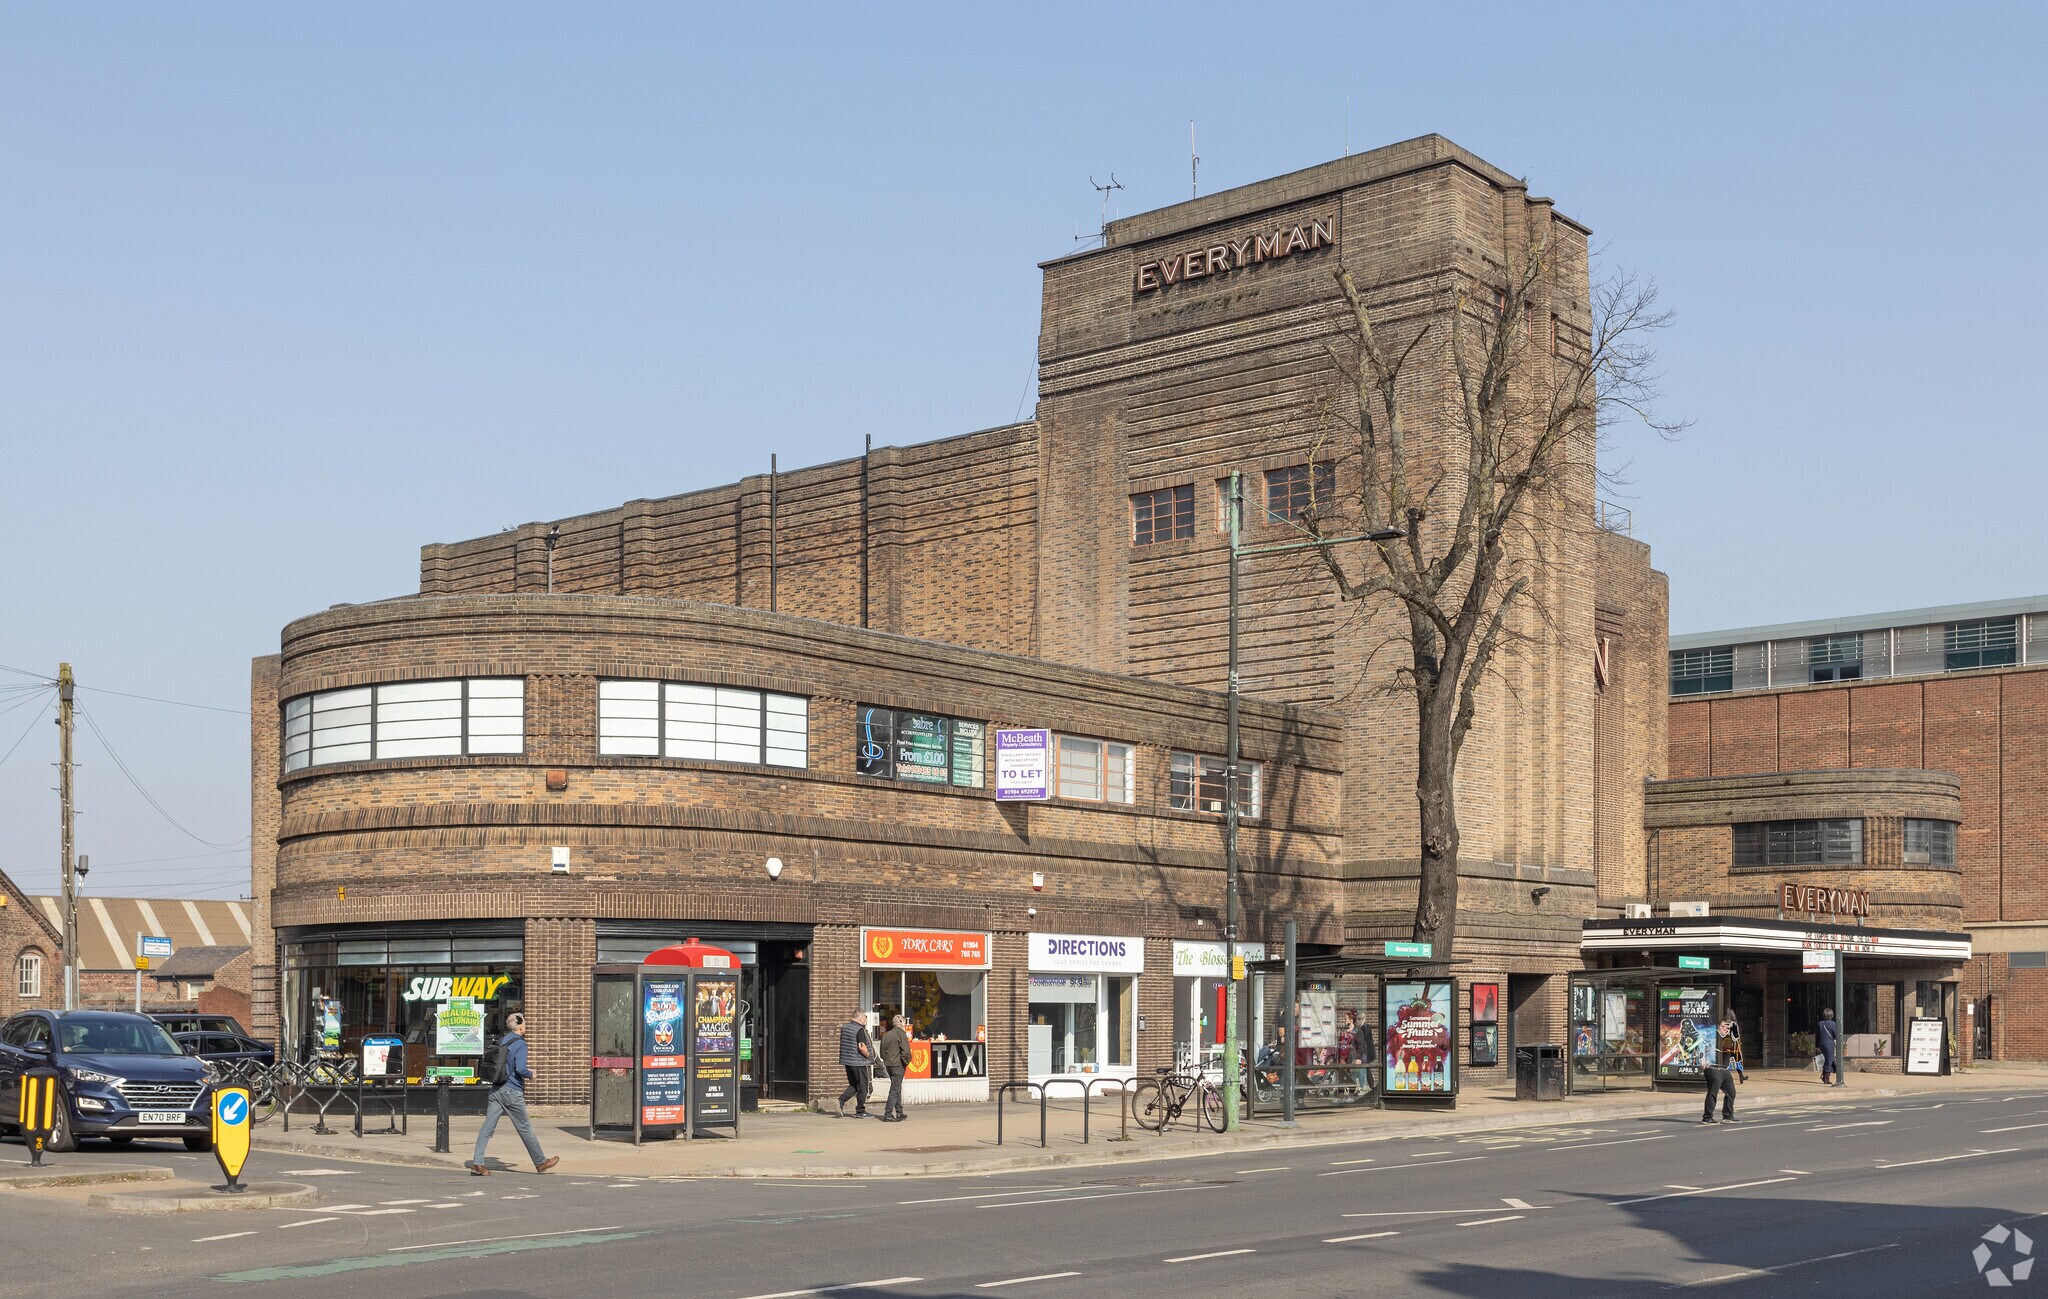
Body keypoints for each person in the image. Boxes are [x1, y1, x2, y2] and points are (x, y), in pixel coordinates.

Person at [466, 1012, 559, 1175]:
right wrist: (531, 1074)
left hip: (496, 1089)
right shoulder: (520, 1044)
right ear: (520, 1025)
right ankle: (540, 1162)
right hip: (512, 1091)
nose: (526, 1025)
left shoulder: (504, 1040)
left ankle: (477, 1163)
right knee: (524, 1127)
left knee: (487, 1128)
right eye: (525, 1023)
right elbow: (520, 1069)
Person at [836, 1006, 875, 1117]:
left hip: (848, 1062)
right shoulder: (859, 1029)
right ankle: (860, 1111)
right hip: (859, 1062)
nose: (866, 1022)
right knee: (863, 1087)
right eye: (865, 1020)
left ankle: (840, 1101)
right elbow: (862, 1047)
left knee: (854, 1085)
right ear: (861, 1019)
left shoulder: (846, 1028)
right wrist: (868, 1056)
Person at [878, 1011, 912, 1122]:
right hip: (898, 1065)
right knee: (895, 1089)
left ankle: (899, 1112)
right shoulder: (901, 1034)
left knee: (897, 1088)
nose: (905, 1024)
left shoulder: (886, 1035)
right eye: (904, 1022)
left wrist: (886, 1060)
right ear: (901, 1022)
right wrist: (906, 1062)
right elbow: (906, 1052)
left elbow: (882, 1053)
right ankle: (888, 1113)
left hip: (889, 1064)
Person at [1817, 1006, 1843, 1086]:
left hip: (1821, 1044)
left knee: (1828, 1059)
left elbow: (1817, 1036)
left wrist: (1817, 1046)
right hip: (1829, 1044)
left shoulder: (1820, 1023)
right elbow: (1835, 1035)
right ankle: (1826, 1078)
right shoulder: (1833, 1024)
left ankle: (1824, 1075)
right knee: (1829, 1060)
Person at [1720, 1016, 1746, 1086]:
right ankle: (1741, 1076)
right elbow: (1736, 1036)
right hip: (1733, 1045)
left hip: (1724, 1045)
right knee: (1737, 1061)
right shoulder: (1733, 1024)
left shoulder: (1721, 1023)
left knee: (1725, 1062)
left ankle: (1741, 1076)